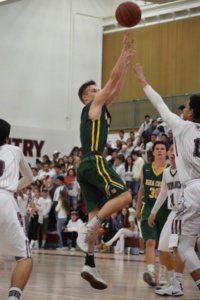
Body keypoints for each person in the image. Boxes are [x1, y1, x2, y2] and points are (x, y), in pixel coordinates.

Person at [76, 30, 135, 290]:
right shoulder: (91, 107)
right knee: (125, 197)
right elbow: (112, 81)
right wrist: (122, 51)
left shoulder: (101, 109)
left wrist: (126, 61)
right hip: (95, 161)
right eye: (93, 90)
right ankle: (91, 227)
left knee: (93, 212)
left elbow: (117, 86)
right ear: (85, 97)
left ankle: (89, 263)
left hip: (84, 167)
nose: (99, 91)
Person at [134, 63, 200, 292]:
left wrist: (143, 81)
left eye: (187, 106)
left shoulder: (182, 127)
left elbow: (159, 104)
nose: (184, 108)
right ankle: (176, 284)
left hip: (192, 189)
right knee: (185, 245)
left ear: (191, 112)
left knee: (183, 247)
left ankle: (182, 284)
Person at [0, 118, 34, 300]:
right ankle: (13, 297)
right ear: (7, 139)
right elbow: (29, 179)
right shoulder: (13, 150)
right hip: (4, 198)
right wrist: (15, 186)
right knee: (24, 257)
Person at [148, 144, 185, 296]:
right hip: (172, 213)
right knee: (163, 249)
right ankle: (174, 283)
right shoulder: (166, 173)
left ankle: (178, 283)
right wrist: (153, 212)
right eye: (170, 150)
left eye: (175, 150)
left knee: (179, 249)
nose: (172, 153)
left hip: (185, 213)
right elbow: (163, 194)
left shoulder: (188, 171)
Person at [135, 141, 171, 287]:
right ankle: (151, 272)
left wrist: (164, 192)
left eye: (163, 149)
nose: (160, 151)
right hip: (149, 207)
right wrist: (137, 208)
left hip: (165, 208)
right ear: (153, 152)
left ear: (167, 152)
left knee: (163, 245)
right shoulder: (146, 168)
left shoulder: (171, 169)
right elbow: (142, 188)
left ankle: (162, 275)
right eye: (157, 149)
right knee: (150, 241)